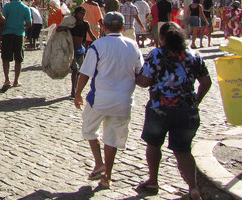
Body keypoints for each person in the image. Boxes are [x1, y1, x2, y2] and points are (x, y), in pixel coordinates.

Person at [134, 23, 211, 200]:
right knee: (183, 150)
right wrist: (196, 101)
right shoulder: (193, 56)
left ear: (162, 39)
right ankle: (193, 187)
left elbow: (145, 81)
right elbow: (206, 83)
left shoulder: (157, 54)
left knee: (153, 145)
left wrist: (135, 77)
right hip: (187, 111)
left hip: (160, 109)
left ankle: (153, 181)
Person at [73, 12, 143, 189]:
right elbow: (140, 72)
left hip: (100, 99)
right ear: (122, 26)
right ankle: (107, 177)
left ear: (103, 26)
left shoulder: (98, 45)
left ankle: (98, 162)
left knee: (89, 129)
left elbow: (85, 73)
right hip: (124, 101)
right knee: (112, 138)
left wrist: (78, 93)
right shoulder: (132, 45)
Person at [57, 6, 95, 98]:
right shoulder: (71, 23)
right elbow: (58, 29)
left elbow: (91, 34)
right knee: (75, 69)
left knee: (81, 71)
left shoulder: (85, 24)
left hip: (80, 49)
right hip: (71, 50)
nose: (82, 15)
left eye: (83, 13)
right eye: (80, 13)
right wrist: (65, 27)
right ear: (76, 13)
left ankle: (77, 89)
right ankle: (73, 91)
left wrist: (98, 42)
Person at [0, 0, 32, 89]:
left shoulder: (7, 6)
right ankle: (16, 81)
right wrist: (23, 28)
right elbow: (29, 23)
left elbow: (2, 20)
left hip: (7, 34)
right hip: (19, 35)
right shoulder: (25, 8)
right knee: (18, 59)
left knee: (6, 59)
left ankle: (6, 79)